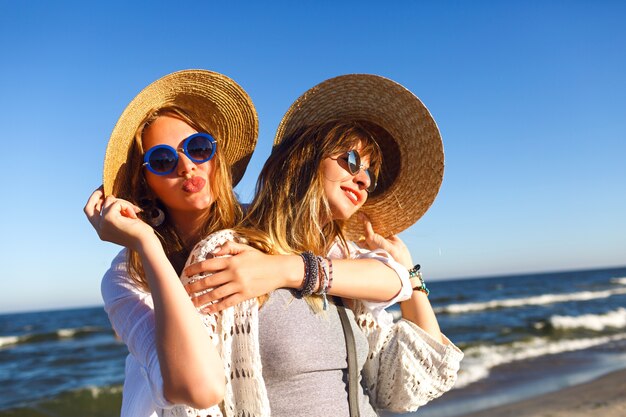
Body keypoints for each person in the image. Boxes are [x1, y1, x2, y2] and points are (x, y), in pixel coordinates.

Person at [84, 70, 421, 416]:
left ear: (216, 154)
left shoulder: (263, 226)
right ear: (145, 181)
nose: (186, 166)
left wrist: (284, 269)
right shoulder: (127, 275)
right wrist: (146, 244)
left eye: (198, 148)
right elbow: (198, 388)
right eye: (163, 160)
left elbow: (391, 276)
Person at [175, 74, 463, 417]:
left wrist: (411, 274)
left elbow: (409, 384)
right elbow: (193, 404)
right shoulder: (229, 252)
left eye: (371, 175)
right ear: (304, 158)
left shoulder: (343, 270)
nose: (362, 178)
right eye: (352, 160)